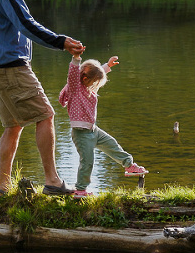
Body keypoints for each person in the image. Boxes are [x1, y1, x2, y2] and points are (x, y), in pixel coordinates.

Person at [0, 0, 84, 197]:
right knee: (46, 115)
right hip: (9, 66)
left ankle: (2, 189)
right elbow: (25, 24)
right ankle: (52, 181)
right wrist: (60, 42)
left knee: (13, 125)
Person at [58, 53, 148, 198]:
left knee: (112, 145)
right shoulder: (75, 89)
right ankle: (81, 190)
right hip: (81, 134)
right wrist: (76, 58)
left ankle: (129, 166)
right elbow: (73, 75)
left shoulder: (88, 89)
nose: (96, 86)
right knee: (87, 162)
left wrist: (107, 66)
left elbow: (95, 73)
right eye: (95, 83)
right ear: (85, 79)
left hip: (93, 130)